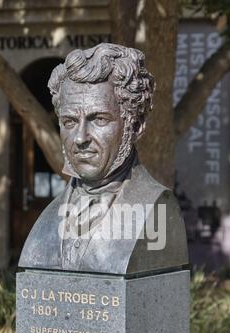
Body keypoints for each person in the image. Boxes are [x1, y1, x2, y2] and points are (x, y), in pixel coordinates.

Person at [19, 43, 187, 275]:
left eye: (98, 119)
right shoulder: (48, 218)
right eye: (69, 122)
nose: (80, 138)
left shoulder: (155, 210)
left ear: (135, 126)